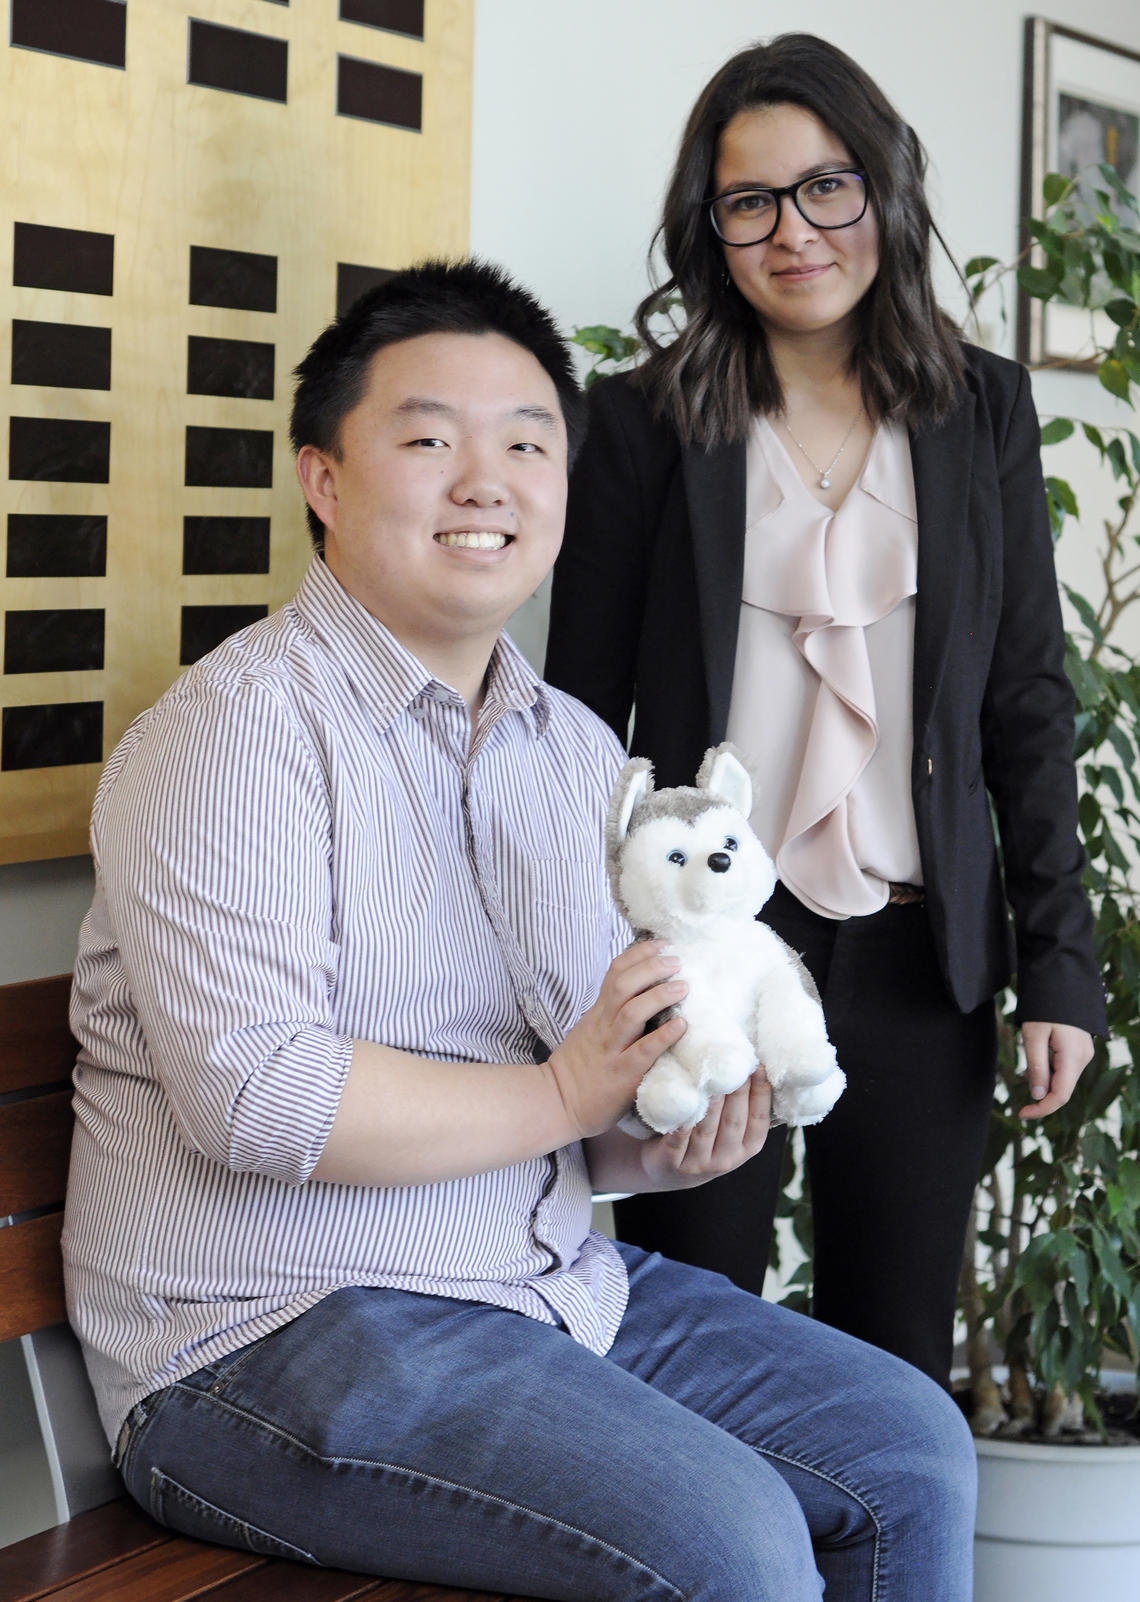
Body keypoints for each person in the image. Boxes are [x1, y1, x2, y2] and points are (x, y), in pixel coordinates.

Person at [63, 259, 977, 1601]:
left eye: (527, 442)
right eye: (429, 439)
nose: (486, 480)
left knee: (909, 1448)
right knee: (732, 1539)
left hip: (537, 1286)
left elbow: (577, 1084)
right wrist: (567, 1089)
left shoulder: (572, 753)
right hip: (259, 1337)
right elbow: (259, 1097)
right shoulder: (232, 736)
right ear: (324, 478)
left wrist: (651, 1133)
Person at [545, 34, 1107, 1388]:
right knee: (682, 1344)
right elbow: (574, 724)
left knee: (896, 1367)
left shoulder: (985, 412)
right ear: (711, 225)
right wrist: (565, 982)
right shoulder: (642, 423)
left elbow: (1027, 698)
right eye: (752, 201)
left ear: (886, 190)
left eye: (828, 187)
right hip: (705, 959)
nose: (795, 231)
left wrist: (1063, 969)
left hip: (922, 964)